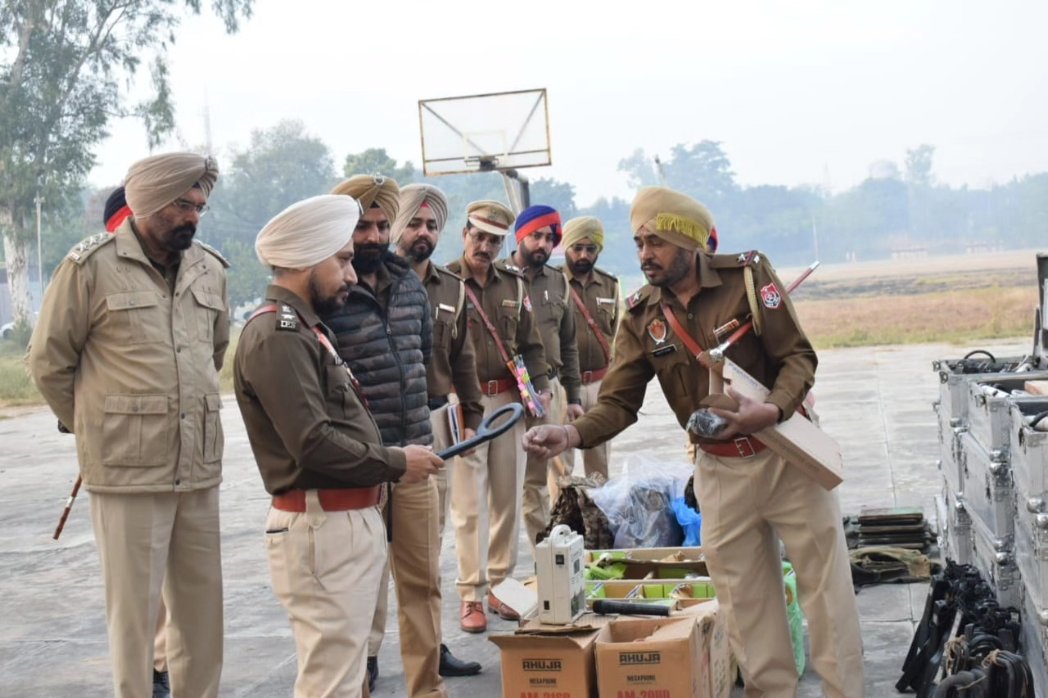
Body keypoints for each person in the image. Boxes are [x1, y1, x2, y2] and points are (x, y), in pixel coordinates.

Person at [522, 187, 865, 698]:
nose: (644, 255)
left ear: (687, 242)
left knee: (826, 596)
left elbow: (798, 357)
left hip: (785, 459)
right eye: (638, 242)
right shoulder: (640, 316)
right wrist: (569, 433)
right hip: (720, 474)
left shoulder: (746, 278)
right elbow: (619, 402)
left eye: (655, 242)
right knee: (745, 607)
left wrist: (769, 409)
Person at [29, 153, 229, 698]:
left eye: (199, 207)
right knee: (135, 619)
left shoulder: (210, 268)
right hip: (126, 472)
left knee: (202, 616)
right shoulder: (88, 267)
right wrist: (95, 429)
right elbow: (48, 362)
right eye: (180, 206)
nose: (191, 217)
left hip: (198, 468)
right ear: (144, 203)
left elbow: (214, 351)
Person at [234, 194, 441, 698]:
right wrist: (396, 462)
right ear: (307, 258)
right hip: (321, 524)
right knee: (333, 681)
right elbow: (313, 443)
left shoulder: (306, 328)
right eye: (343, 260)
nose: (352, 275)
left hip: (343, 520)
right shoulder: (278, 334)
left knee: (343, 675)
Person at [322, 175, 477, 695]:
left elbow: (429, 364)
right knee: (358, 592)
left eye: (382, 225)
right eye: (362, 226)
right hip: (357, 467)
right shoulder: (325, 293)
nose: (373, 236)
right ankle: (359, 683)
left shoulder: (410, 286)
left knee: (422, 585)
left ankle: (425, 687)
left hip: (415, 459)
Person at [390, 184, 486, 670]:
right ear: (394, 227)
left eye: (431, 225)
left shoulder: (451, 287)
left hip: (435, 421)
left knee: (429, 544)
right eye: (413, 223)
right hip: (379, 427)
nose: (422, 233)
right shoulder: (368, 280)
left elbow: (462, 356)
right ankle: (366, 653)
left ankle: (430, 647)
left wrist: (471, 418)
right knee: (370, 549)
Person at [447, 200, 550, 633]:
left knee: (507, 497)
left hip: (509, 399)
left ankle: (501, 585)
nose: (485, 246)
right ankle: (471, 594)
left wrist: (540, 389)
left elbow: (531, 344)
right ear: (464, 234)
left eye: (494, 240)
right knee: (470, 505)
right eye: (478, 236)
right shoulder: (444, 282)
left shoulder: (515, 286)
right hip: (466, 403)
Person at [102, 185, 172, 698]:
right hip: (123, 453)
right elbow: (56, 362)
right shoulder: (93, 274)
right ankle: (145, 670)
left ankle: (163, 663)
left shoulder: (187, 269)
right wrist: (85, 420)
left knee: (175, 578)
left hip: (182, 451)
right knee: (133, 585)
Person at [506, 205, 582, 545]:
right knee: (507, 481)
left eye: (549, 238)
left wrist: (574, 397)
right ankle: (497, 570)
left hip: (548, 390)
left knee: (539, 476)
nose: (542, 244)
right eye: (536, 236)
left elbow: (569, 346)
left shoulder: (559, 282)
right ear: (519, 237)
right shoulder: (497, 278)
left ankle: (543, 555)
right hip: (507, 391)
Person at [558, 216, 620, 482]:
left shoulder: (610, 285)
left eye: (591, 249)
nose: (583, 255)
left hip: (599, 384)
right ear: (566, 247)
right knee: (561, 466)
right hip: (562, 387)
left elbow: (619, 335)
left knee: (600, 464)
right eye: (577, 248)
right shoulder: (552, 283)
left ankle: (600, 519)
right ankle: (563, 521)